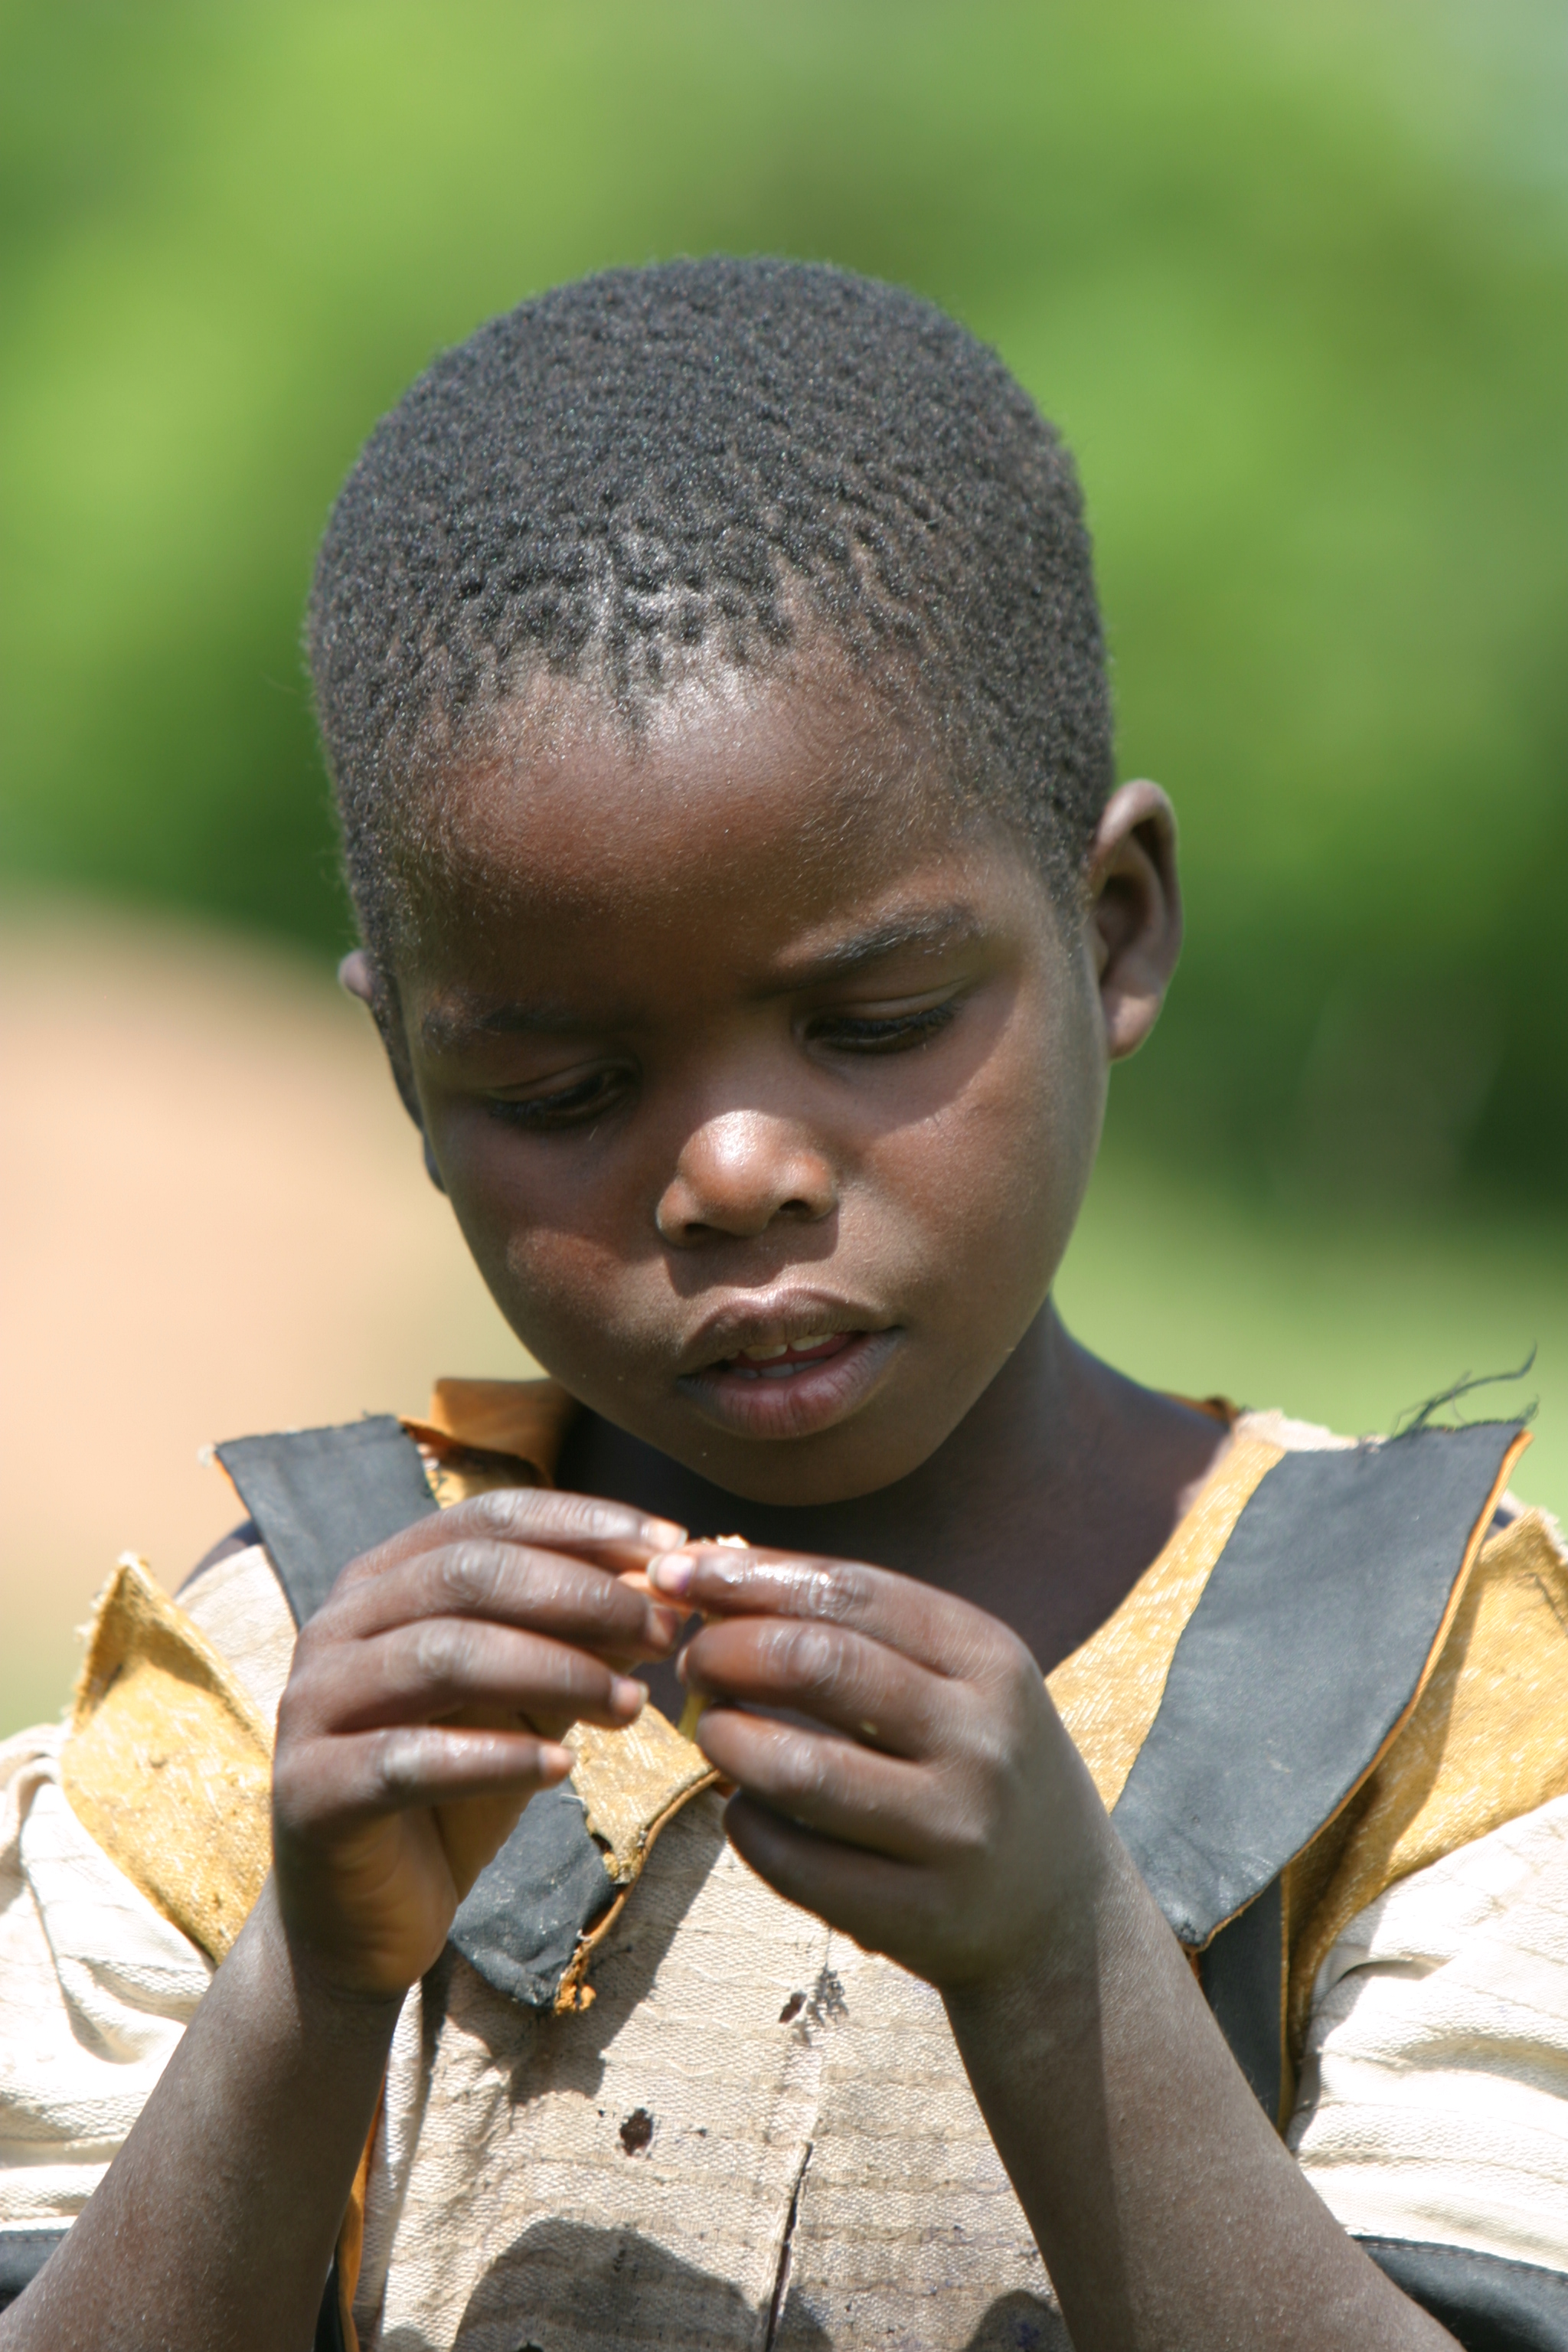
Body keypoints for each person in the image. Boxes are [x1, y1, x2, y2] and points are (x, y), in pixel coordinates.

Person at [2, 259, 1566, 2352]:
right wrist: (305, 1980)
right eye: (562, 1088)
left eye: (876, 1017)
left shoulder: (1416, 1687)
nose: (735, 1175)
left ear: (1111, 937)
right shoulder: (286, 1681)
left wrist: (1062, 1966)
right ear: (411, 1083)